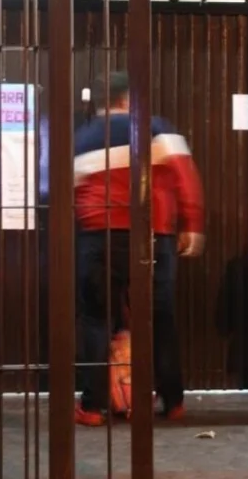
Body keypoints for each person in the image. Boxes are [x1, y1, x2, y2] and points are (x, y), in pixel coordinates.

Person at [72, 71, 205, 426]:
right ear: (128, 100)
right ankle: (173, 400)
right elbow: (185, 177)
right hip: (152, 235)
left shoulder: (83, 138)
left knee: (96, 320)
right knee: (160, 318)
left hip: (99, 237)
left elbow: (69, 192)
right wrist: (191, 225)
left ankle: (93, 407)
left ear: (100, 102)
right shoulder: (156, 129)